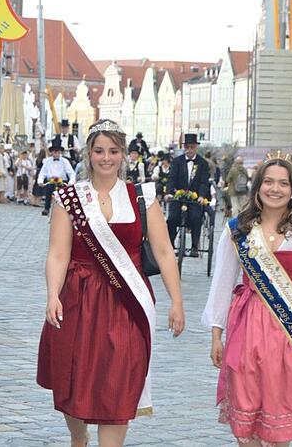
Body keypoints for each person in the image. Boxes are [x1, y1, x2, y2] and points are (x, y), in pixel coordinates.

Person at [37, 118, 185, 447]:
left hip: (126, 301)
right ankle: (79, 438)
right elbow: (58, 254)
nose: (106, 157)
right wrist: (52, 295)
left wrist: (177, 301)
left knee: (120, 379)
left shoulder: (142, 197)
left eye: (114, 151)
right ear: (88, 154)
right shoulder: (69, 198)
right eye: (99, 150)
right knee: (72, 378)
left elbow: (163, 251)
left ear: (124, 155)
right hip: (78, 297)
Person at [204, 157, 292, 446]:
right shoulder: (237, 230)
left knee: (280, 420)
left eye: (283, 183)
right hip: (245, 329)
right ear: (257, 187)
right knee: (246, 422)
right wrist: (216, 334)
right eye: (268, 182)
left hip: (288, 334)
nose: (275, 189)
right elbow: (221, 283)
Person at [165, 133, 210, 257]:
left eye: (192, 147)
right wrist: (169, 193)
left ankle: (194, 247)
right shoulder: (177, 161)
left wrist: (201, 196)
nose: (189, 150)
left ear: (196, 147)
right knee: (172, 219)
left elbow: (204, 182)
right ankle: (171, 244)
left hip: (194, 199)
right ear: (184, 147)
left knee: (196, 218)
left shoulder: (202, 163)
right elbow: (171, 179)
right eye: (187, 147)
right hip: (178, 197)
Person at [37, 140, 76, 216]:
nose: (57, 154)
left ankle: (66, 208)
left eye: (58, 152)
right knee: (49, 188)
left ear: (60, 152)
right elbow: (42, 173)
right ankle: (46, 208)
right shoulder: (47, 161)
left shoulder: (65, 161)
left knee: (64, 193)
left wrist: (71, 182)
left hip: (62, 181)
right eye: (55, 152)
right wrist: (40, 181)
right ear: (52, 152)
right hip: (51, 181)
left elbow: (71, 173)